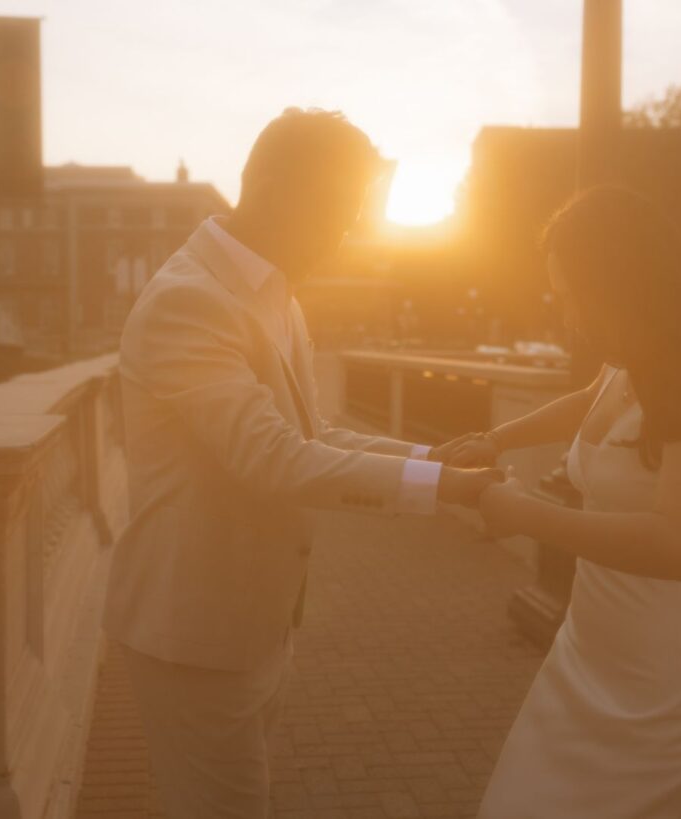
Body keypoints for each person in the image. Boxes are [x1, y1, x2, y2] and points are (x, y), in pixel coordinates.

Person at [103, 107, 501, 819]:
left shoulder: (273, 293)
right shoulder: (188, 301)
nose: (346, 235)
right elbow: (275, 459)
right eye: (341, 212)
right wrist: (443, 486)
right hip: (193, 634)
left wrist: (426, 456)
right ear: (283, 194)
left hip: (253, 621)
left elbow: (314, 430)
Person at [433, 186, 681, 818]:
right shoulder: (632, 364)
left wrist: (523, 514)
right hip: (590, 649)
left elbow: (680, 545)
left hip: (665, 680)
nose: (568, 319)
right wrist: (496, 437)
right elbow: (586, 404)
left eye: (571, 297)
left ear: (621, 283)